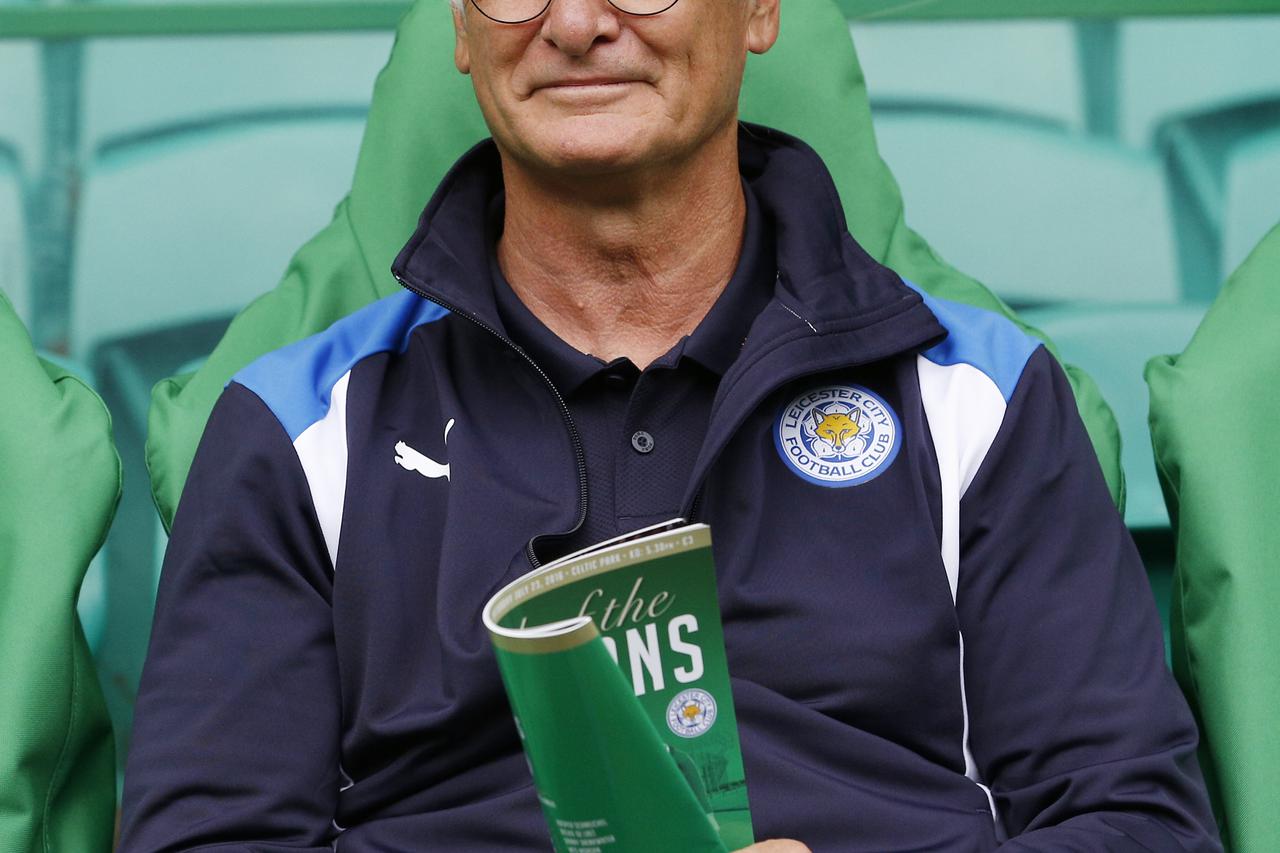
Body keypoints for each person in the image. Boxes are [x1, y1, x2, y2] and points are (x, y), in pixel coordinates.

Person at [118, 0, 1222, 850]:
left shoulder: (976, 398)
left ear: (757, 12)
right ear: (460, 29)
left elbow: (1138, 820)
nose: (578, 21)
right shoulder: (298, 429)